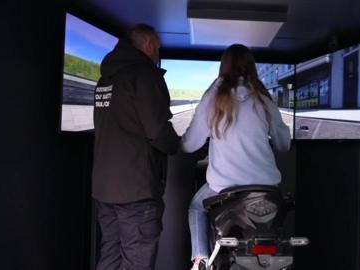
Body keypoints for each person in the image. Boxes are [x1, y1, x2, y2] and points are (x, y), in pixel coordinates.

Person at [181, 44, 291, 270]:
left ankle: (200, 260)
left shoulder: (214, 97)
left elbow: (190, 145)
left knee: (196, 207)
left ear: (223, 67)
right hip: (267, 187)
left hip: (224, 187)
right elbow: (283, 144)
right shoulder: (264, 98)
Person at [92, 24, 180, 270]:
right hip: (136, 191)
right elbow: (157, 130)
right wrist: (177, 144)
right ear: (149, 44)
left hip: (104, 189)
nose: (157, 54)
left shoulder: (105, 79)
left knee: (109, 256)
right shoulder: (145, 75)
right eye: (157, 48)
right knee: (137, 262)